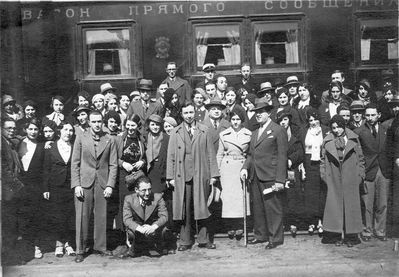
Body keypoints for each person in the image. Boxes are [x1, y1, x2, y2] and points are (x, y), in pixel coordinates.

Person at [166, 102, 220, 251]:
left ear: (195, 112)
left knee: (202, 207)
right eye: (186, 113)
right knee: (184, 209)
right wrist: (170, 177)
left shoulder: (204, 130)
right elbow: (170, 156)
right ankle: (185, 241)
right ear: (182, 114)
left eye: (191, 112)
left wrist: (214, 174)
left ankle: (204, 239)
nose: (189, 116)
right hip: (182, 176)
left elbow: (211, 154)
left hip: (201, 174)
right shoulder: (175, 132)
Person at [71, 111, 118, 263]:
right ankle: (80, 249)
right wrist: (76, 184)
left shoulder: (109, 139)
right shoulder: (80, 137)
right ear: (89, 122)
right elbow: (75, 163)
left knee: (101, 215)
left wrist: (110, 185)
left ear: (102, 122)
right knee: (82, 216)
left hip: (102, 183)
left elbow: (113, 164)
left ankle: (101, 247)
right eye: (94, 121)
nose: (97, 124)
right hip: (84, 183)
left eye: (99, 121)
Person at [240, 100, 288, 249]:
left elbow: (282, 156)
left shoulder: (278, 130)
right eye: (256, 112)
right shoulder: (255, 133)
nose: (258, 114)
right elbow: (250, 155)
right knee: (258, 209)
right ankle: (260, 235)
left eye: (261, 112)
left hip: (271, 175)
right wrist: (244, 168)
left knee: (273, 208)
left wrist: (280, 179)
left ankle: (275, 238)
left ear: (269, 113)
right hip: (255, 176)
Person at [320, 115, 365, 247]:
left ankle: (351, 236)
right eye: (333, 128)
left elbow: (361, 159)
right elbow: (322, 160)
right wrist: (325, 177)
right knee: (336, 208)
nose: (336, 130)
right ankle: (338, 235)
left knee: (350, 208)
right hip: (334, 177)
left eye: (339, 127)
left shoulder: (353, 138)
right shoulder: (327, 141)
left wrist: (360, 175)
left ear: (343, 126)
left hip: (351, 177)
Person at [354, 103, 391, 242]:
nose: (370, 118)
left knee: (382, 203)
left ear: (378, 115)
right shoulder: (359, 131)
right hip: (369, 170)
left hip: (383, 169)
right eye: (367, 115)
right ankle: (367, 231)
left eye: (373, 115)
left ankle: (380, 231)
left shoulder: (386, 129)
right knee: (367, 203)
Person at [217, 107, 252, 240]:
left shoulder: (248, 134)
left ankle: (239, 226)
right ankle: (230, 226)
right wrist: (218, 172)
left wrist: (246, 168)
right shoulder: (224, 134)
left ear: (242, 120)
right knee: (228, 199)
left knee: (241, 198)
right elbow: (219, 154)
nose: (235, 122)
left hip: (241, 167)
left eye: (238, 119)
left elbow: (250, 154)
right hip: (227, 168)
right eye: (233, 119)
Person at [42, 121, 76, 257]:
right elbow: (46, 169)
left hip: (71, 186)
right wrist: (46, 188)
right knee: (58, 216)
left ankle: (68, 244)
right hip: (56, 186)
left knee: (69, 216)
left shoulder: (75, 147)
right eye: (65, 129)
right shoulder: (51, 147)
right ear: (59, 131)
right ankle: (59, 244)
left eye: (71, 130)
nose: (68, 132)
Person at [114, 114, 146, 255]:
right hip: (124, 176)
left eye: (133, 125)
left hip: (137, 177)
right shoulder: (120, 138)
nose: (130, 128)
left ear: (137, 126)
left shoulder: (141, 139)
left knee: (136, 206)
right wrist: (123, 163)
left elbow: (146, 155)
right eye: (128, 125)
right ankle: (124, 241)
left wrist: (142, 162)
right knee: (124, 206)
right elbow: (114, 156)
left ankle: (136, 241)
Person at [298, 108, 330, 235]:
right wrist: (302, 165)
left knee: (322, 193)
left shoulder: (326, 131)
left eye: (315, 120)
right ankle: (311, 221)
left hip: (322, 164)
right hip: (309, 164)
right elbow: (300, 148)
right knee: (311, 194)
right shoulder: (303, 132)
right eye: (310, 120)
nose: (313, 122)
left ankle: (321, 221)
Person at [17, 118, 45, 259]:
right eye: (30, 129)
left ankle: (36, 245)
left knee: (36, 216)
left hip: (36, 186)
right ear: (25, 129)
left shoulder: (42, 145)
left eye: (36, 129)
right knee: (22, 217)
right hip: (20, 185)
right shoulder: (18, 143)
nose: (33, 132)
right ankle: (24, 247)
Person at [121, 176, 168, 258]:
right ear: (136, 190)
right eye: (144, 190)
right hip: (138, 230)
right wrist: (140, 229)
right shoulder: (128, 199)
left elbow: (164, 216)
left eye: (149, 189)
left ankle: (158, 246)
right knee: (131, 233)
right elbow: (127, 219)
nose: (147, 193)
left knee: (163, 230)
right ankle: (135, 247)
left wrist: (153, 227)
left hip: (153, 230)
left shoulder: (158, 197)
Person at [276, 111, 304, 237]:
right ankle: (282, 223)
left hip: (292, 170)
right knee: (281, 197)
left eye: (285, 120)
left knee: (293, 196)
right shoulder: (276, 135)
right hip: (279, 170)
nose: (283, 123)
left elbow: (300, 152)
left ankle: (293, 223)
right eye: (281, 120)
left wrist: (290, 159)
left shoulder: (295, 137)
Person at [1, 119, 25, 265]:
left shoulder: (11, 143)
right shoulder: (1, 143)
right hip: (6, 191)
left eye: (14, 128)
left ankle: (12, 256)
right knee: (8, 226)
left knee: (12, 226)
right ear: (2, 128)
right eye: (8, 128)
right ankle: (9, 258)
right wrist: (18, 185)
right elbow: (3, 169)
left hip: (11, 191)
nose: (12, 130)